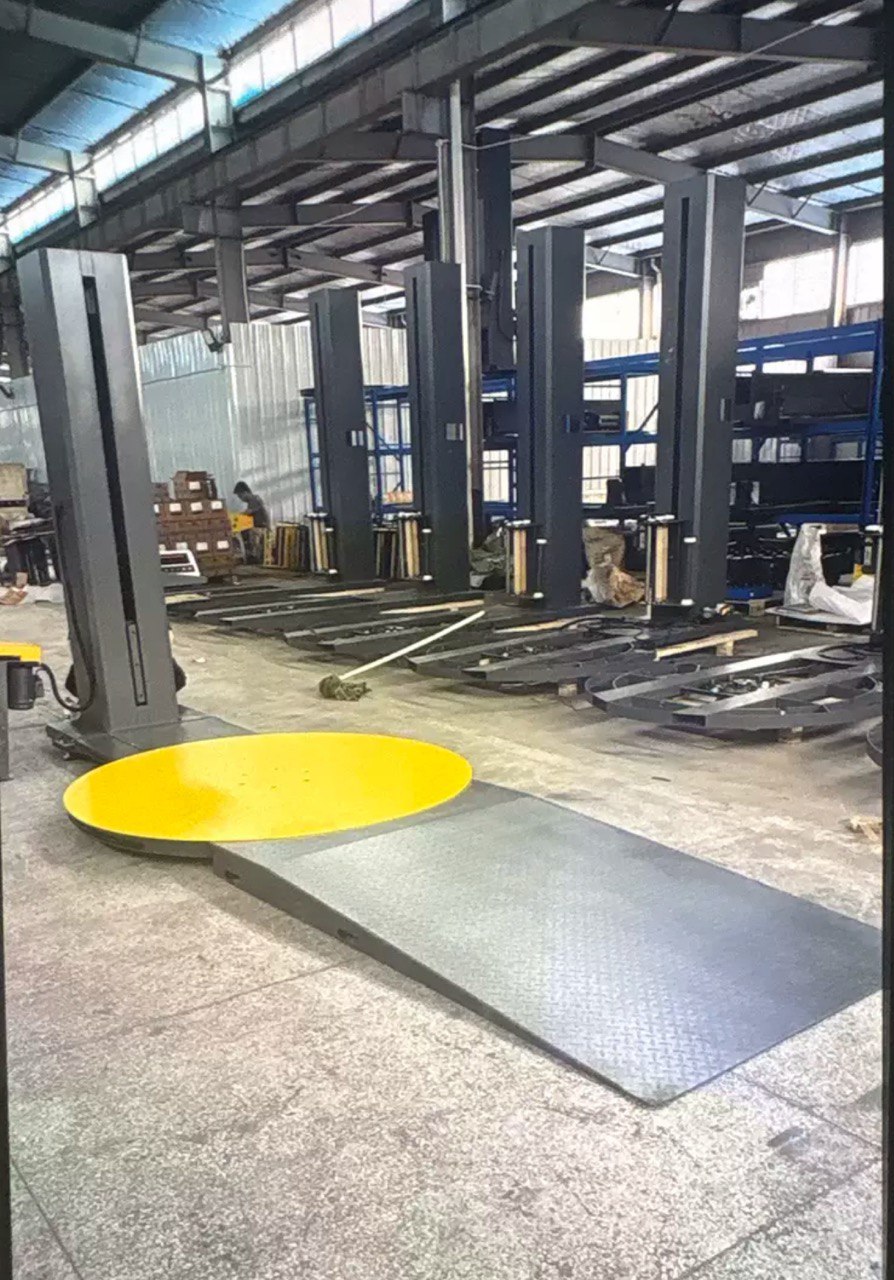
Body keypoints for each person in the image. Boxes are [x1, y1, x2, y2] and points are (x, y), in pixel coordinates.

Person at [233, 481, 269, 565]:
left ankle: (254, 556)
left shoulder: (254, 499)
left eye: (240, 496)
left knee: (252, 534)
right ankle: (251, 555)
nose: (240, 499)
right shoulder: (252, 501)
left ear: (245, 492)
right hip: (259, 525)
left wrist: (234, 517)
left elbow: (247, 512)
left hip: (261, 527)